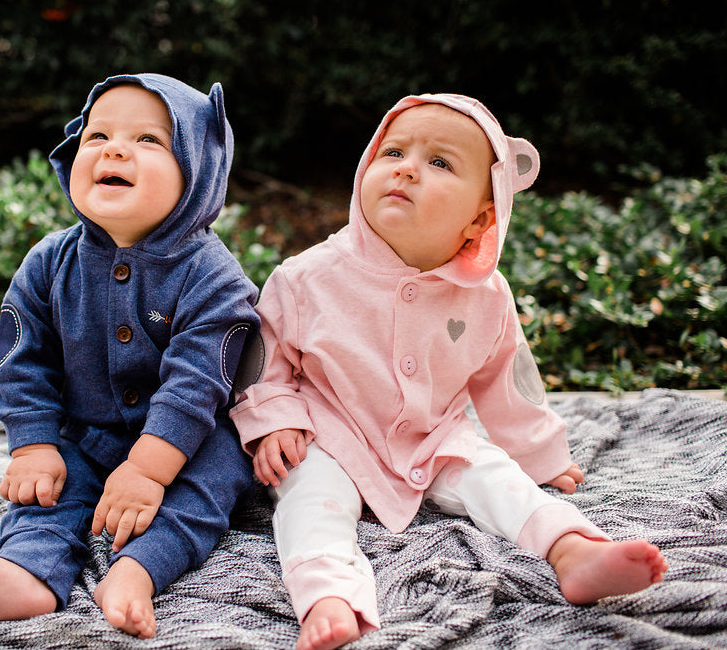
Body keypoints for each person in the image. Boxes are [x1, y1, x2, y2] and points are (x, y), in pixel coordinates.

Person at [230, 93, 668, 650]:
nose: (407, 167)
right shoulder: (306, 277)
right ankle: (329, 595)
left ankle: (573, 551)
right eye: (393, 152)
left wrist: (540, 455)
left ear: (480, 218)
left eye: (439, 163)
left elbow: (507, 381)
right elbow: (262, 361)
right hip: (329, 434)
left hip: (431, 435)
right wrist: (275, 421)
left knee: (495, 476)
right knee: (309, 498)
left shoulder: (484, 296)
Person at [0, 73, 259, 639]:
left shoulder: (212, 277)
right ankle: (29, 570)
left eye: (148, 140)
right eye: (96, 135)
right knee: (48, 491)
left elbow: (197, 382)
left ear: (198, 171)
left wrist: (148, 470)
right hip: (84, 433)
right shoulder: (49, 262)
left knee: (218, 475)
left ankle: (135, 571)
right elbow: (20, 360)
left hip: (187, 441)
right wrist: (33, 445)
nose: (113, 148)